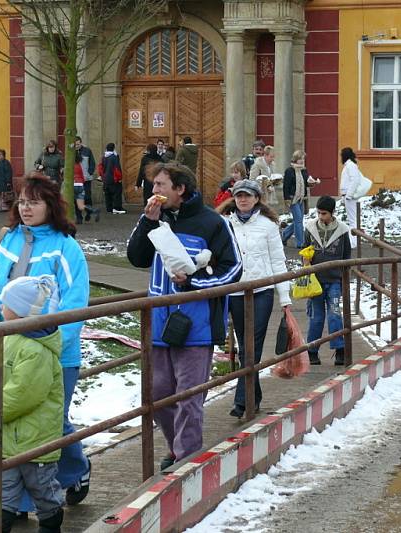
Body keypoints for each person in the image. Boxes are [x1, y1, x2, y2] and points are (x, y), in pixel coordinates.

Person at [0, 173, 92, 506]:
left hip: (53, 353)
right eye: (22, 201)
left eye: (34, 202)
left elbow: (74, 303)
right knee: (20, 421)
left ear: (50, 205)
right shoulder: (6, 238)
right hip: (6, 349)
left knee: (50, 420)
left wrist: (51, 344)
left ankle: (71, 472)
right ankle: (21, 501)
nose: (26, 208)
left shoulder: (65, 248)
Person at [127, 162, 242, 470]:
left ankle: (187, 459)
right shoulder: (155, 219)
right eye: (153, 186)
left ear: (179, 189)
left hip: (197, 323)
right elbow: (136, 258)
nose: (154, 191)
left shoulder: (212, 223)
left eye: (160, 185)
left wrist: (194, 282)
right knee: (158, 393)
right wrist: (147, 223)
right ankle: (176, 447)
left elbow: (233, 268)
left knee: (189, 395)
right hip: (159, 320)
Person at [0, 275, 65, 533]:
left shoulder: (36, 350)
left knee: (42, 487)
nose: (1, 308)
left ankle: (51, 522)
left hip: (34, 437)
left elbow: (25, 393)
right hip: (7, 438)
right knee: (3, 490)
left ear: (19, 311)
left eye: (6, 304)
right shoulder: (8, 338)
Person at [216, 179, 291, 418]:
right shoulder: (225, 224)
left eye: (248, 195)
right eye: (239, 195)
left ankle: (242, 401)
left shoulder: (268, 226)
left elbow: (278, 260)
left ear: (257, 198)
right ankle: (253, 396)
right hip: (236, 291)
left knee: (253, 344)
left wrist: (285, 297)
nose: (243, 199)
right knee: (243, 347)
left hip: (262, 291)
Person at [304, 196, 351, 365]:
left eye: (324, 213)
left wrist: (344, 279)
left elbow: (347, 256)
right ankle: (312, 350)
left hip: (335, 280)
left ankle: (339, 349)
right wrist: (306, 260)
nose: (320, 216)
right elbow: (303, 248)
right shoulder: (310, 228)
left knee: (335, 315)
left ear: (332, 213)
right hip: (315, 281)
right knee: (316, 317)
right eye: (318, 213)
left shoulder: (343, 230)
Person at [282, 150, 319, 248]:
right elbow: (286, 186)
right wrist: (287, 199)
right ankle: (300, 243)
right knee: (298, 220)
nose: (302, 161)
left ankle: (285, 234)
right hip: (293, 199)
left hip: (302, 198)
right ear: (295, 159)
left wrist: (313, 182)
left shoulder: (304, 170)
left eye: (303, 158)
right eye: (300, 159)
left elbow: (306, 182)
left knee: (298, 220)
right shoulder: (289, 171)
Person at [340, 147, 362, 248]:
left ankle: (353, 242)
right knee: (352, 219)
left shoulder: (350, 166)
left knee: (353, 219)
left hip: (350, 196)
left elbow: (355, 180)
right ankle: (353, 240)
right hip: (348, 195)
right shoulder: (350, 165)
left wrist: (348, 195)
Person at [73, 151, 100, 224]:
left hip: (73, 184)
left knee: (65, 202)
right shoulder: (79, 164)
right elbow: (82, 176)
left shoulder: (70, 164)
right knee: (80, 205)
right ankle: (94, 210)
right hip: (80, 185)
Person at [74, 137, 97, 218]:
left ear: (81, 143)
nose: (76, 146)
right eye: (75, 144)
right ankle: (79, 216)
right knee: (76, 199)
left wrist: (89, 173)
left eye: (78, 144)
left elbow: (92, 163)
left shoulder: (87, 151)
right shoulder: (71, 152)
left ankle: (89, 212)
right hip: (76, 180)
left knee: (87, 197)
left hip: (86, 178)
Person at [101, 142, 125, 214]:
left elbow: (102, 168)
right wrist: (119, 178)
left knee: (107, 194)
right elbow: (117, 168)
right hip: (113, 179)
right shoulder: (114, 157)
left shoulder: (104, 157)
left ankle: (109, 208)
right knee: (116, 193)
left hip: (106, 178)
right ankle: (116, 207)